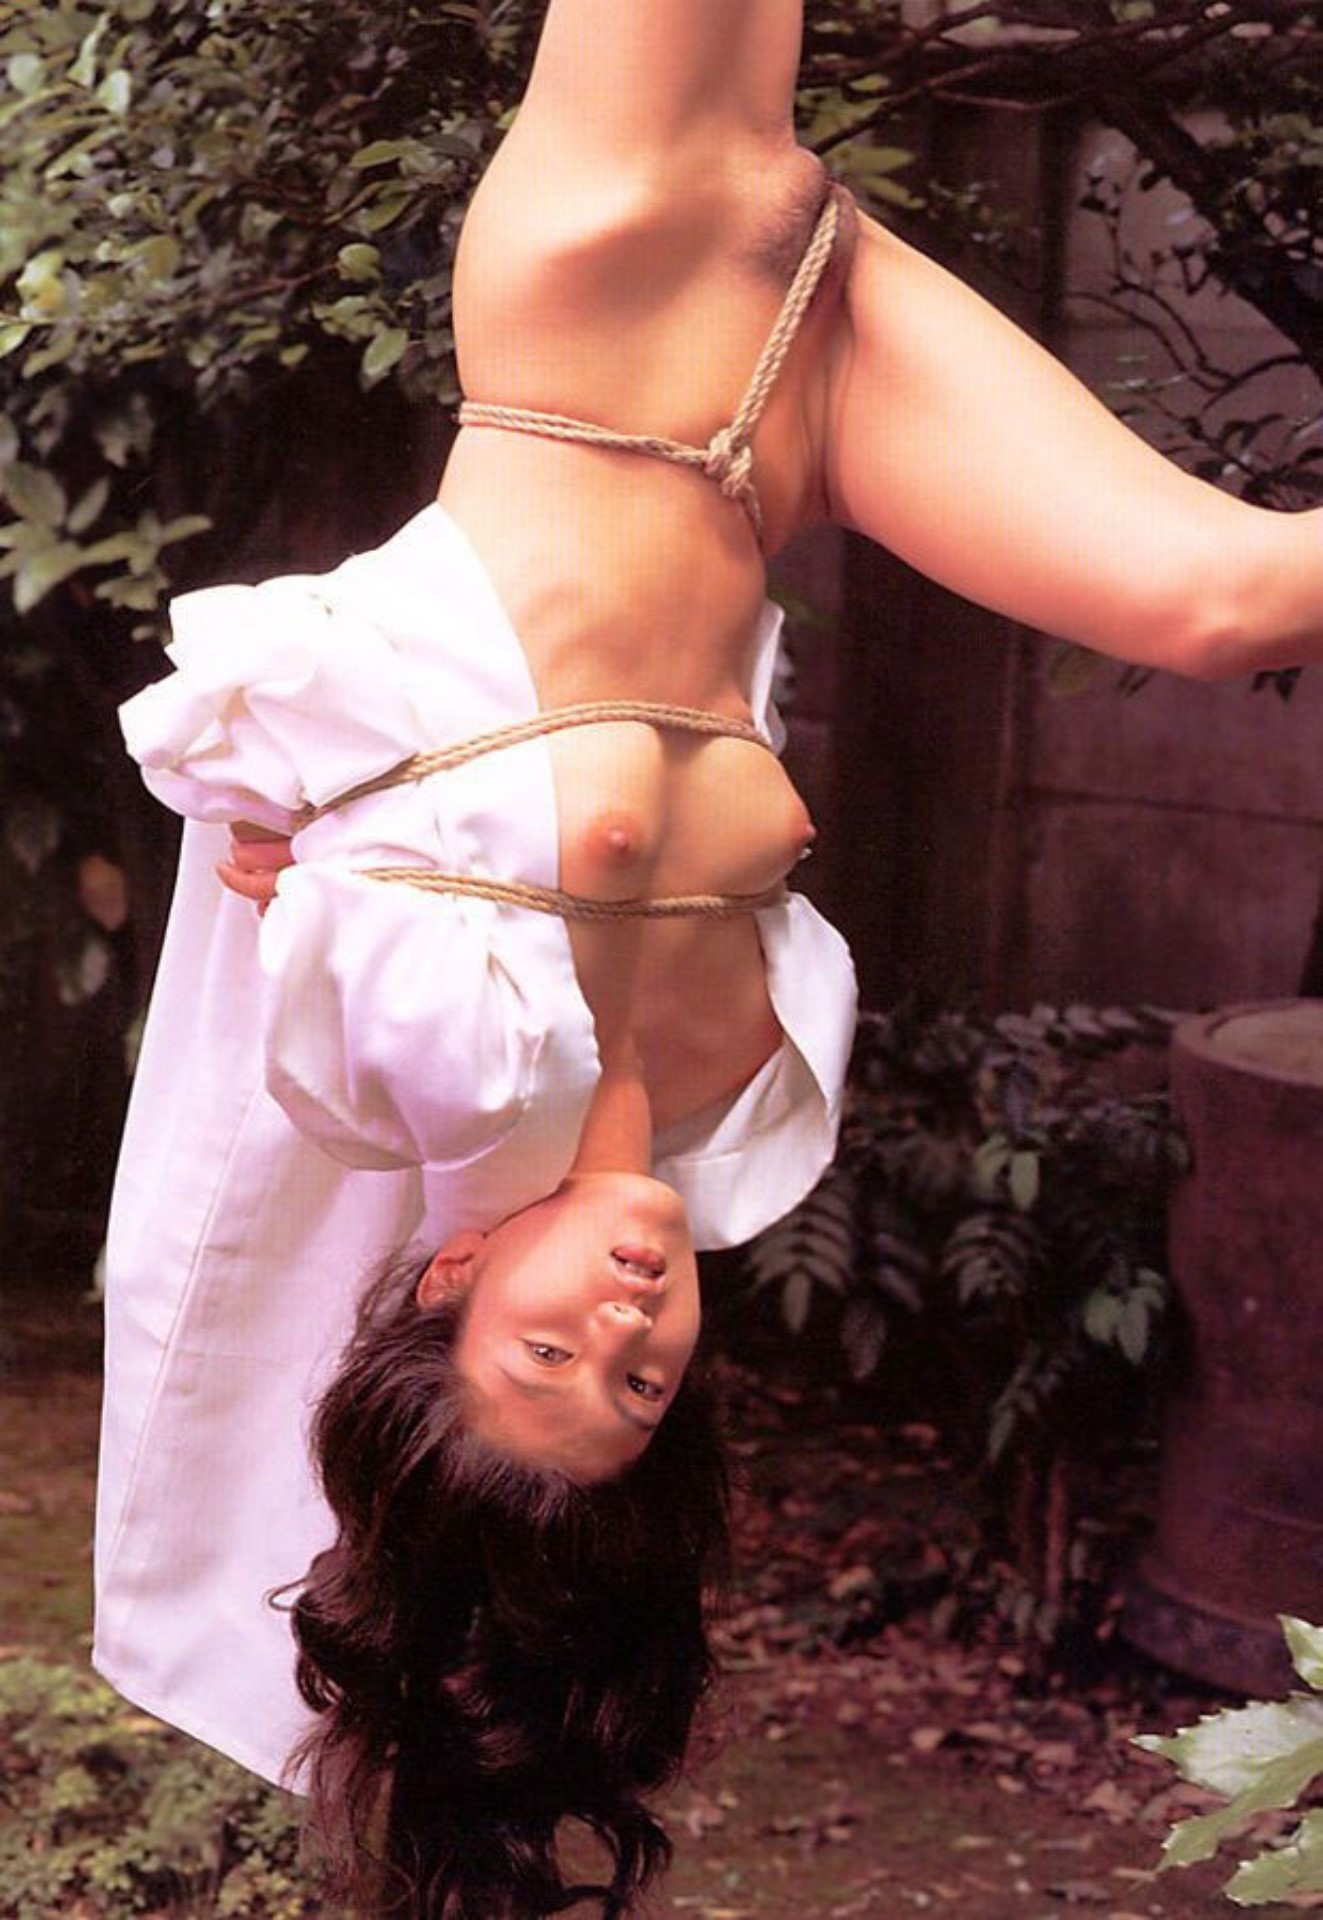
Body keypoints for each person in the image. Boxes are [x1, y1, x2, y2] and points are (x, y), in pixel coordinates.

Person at [97, 2, 1323, 1915]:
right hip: (792, 421)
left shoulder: (432, 1051)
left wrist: (282, 838)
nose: (632, 1326)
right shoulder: (756, 1121)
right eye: (641, 1388)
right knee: (1233, 599)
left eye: (551, 1349)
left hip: (608, 314)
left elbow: (246, 861)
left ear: (452, 1272)